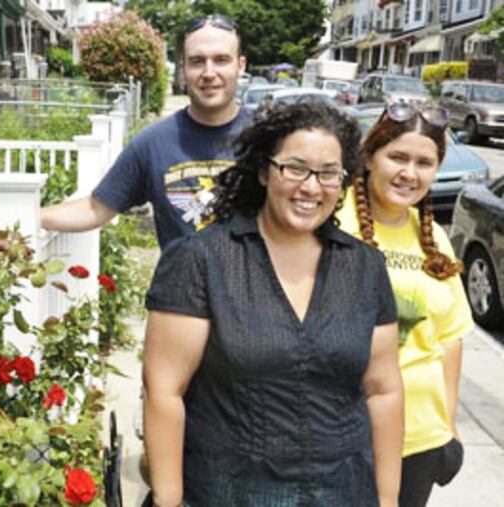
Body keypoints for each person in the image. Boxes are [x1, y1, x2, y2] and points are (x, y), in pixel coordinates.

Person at [143, 102, 404, 507]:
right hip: (227, 491)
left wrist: (388, 502)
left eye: (328, 173)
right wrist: (169, 499)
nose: (311, 187)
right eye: (295, 168)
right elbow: (164, 389)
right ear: (265, 172)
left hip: (343, 491)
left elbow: (383, 390)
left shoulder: (365, 268)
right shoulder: (202, 260)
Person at [337, 103, 474, 507]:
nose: (409, 173)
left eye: (424, 163)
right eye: (397, 156)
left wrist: (448, 426)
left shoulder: (432, 238)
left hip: (420, 438)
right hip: (344, 434)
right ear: (368, 156)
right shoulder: (331, 219)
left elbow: (450, 337)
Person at [41, 15, 252, 249]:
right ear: (183, 68)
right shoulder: (153, 143)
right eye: (197, 61)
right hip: (180, 285)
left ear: (240, 66)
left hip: (255, 285)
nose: (209, 72)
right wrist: (28, 215)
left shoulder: (270, 139)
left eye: (221, 60)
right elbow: (95, 208)